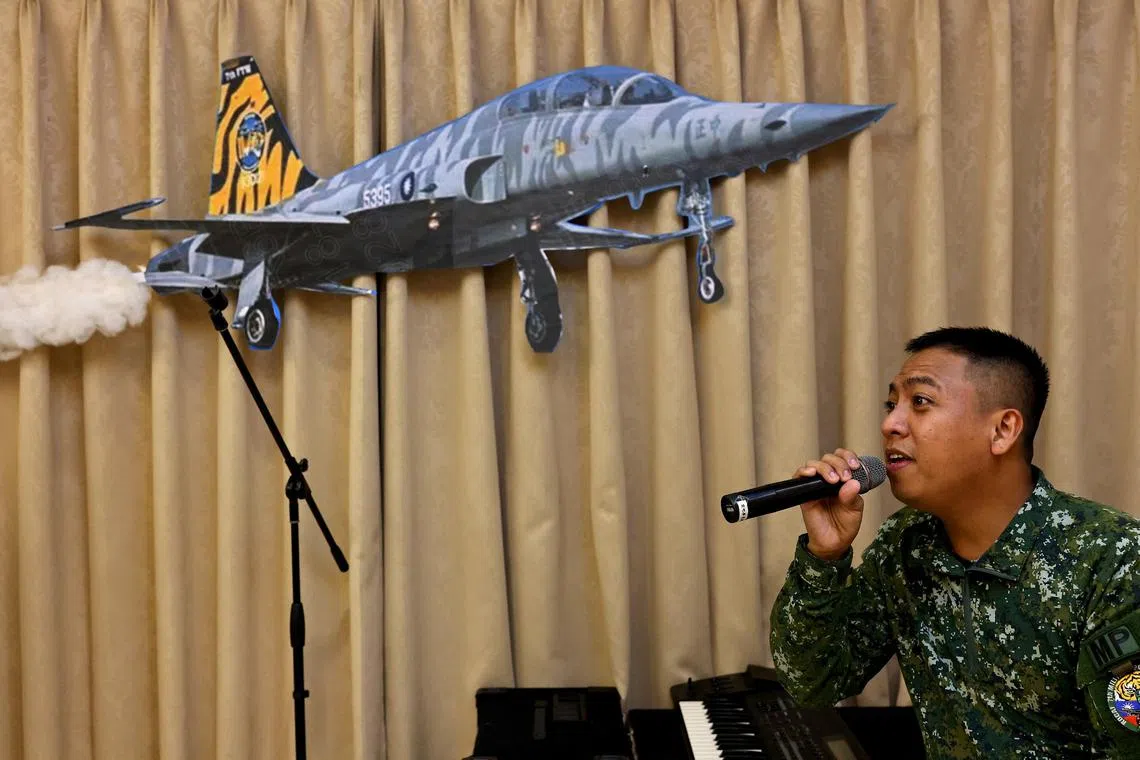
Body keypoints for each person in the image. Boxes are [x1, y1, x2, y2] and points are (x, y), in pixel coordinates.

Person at [769, 326, 1140, 758]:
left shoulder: (1112, 557)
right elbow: (813, 683)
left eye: (920, 402)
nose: (890, 423)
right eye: (892, 404)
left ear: (1002, 430)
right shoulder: (905, 545)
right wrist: (824, 556)